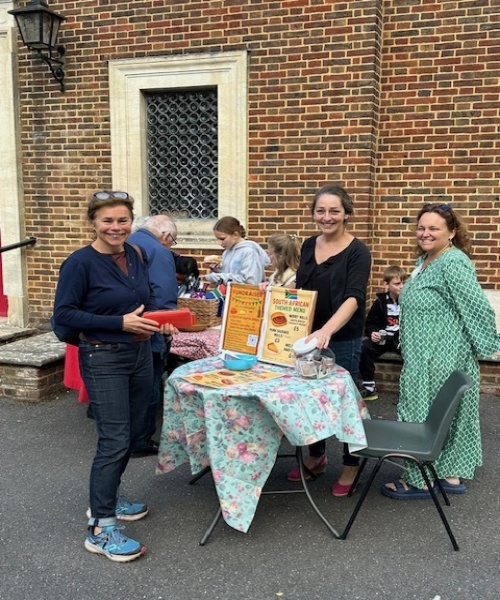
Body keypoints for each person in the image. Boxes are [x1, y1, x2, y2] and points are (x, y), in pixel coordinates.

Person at [52, 191, 176, 563]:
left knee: (134, 431)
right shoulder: (80, 263)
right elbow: (64, 317)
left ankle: (108, 498)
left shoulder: (135, 254)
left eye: (122, 220)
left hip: (140, 353)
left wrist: (160, 320)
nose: (115, 227)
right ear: (93, 222)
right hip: (103, 356)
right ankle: (100, 528)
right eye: (107, 220)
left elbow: (143, 302)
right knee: (114, 439)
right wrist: (118, 323)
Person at [382, 203, 500, 500]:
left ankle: (419, 480)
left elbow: (477, 308)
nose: (425, 233)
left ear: (452, 232)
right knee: (446, 417)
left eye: (434, 228)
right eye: (421, 227)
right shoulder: (425, 260)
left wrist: (487, 347)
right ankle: (449, 475)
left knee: (424, 417)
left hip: (440, 358)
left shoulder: (453, 262)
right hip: (424, 356)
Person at [286, 184, 371, 497]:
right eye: (320, 210)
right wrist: (279, 297)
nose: (327, 217)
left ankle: (351, 463)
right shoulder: (309, 244)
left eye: (334, 211)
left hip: (342, 339)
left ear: (346, 213)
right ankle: (317, 456)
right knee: (310, 399)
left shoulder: (358, 252)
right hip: (307, 338)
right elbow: (302, 288)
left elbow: (353, 298)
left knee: (344, 404)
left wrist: (327, 331)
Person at [128, 214, 178, 457]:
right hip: (148, 328)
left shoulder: (125, 242)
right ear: (166, 235)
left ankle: (125, 436)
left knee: (128, 384)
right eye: (173, 241)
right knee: (148, 386)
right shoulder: (159, 251)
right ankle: (139, 441)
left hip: (122, 326)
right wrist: (167, 326)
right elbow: (164, 293)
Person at [358, 265, 406, 401]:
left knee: (412, 354)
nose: (401, 286)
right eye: (397, 284)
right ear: (386, 285)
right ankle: (369, 388)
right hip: (383, 338)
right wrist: (372, 332)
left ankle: (407, 392)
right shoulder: (380, 302)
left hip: (401, 340)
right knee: (365, 347)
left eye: (403, 283)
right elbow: (371, 323)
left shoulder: (408, 301)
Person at [203, 216, 270, 285]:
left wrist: (220, 277)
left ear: (235, 235)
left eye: (222, 239)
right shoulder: (227, 252)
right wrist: (217, 270)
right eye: (217, 239)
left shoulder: (249, 252)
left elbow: (250, 281)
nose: (219, 243)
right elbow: (230, 274)